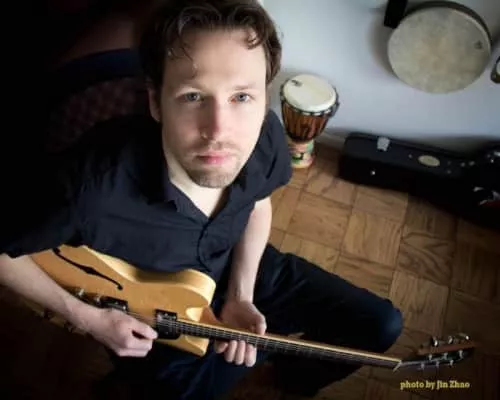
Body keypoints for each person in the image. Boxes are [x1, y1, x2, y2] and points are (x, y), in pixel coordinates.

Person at [0, 1, 403, 399]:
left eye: (241, 97)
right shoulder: (92, 187)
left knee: (379, 324)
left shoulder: (263, 135)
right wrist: (89, 320)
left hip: (240, 268)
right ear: (156, 101)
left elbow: (257, 203)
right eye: (193, 96)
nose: (219, 131)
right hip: (154, 319)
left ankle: (292, 377)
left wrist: (241, 295)